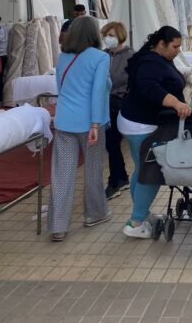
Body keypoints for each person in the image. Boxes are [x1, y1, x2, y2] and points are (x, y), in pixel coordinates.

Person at [118, 26, 192, 239]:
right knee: (152, 173)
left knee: (142, 169)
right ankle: (136, 222)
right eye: (175, 46)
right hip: (141, 124)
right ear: (161, 44)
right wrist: (177, 103)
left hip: (136, 122)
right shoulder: (150, 64)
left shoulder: (154, 58)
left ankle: (141, 214)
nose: (178, 50)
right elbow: (151, 89)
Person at [49, 16, 112, 242]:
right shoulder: (101, 57)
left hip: (64, 120)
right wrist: (95, 123)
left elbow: (60, 87)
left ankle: (58, 226)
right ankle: (95, 213)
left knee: (62, 174)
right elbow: (97, 92)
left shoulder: (63, 57)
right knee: (93, 169)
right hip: (90, 123)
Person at [100, 21, 134, 200]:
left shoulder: (130, 56)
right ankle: (120, 178)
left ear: (120, 36)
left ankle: (116, 180)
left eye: (111, 35)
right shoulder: (103, 55)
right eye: (106, 35)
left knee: (112, 142)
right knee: (111, 144)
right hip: (104, 104)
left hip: (120, 103)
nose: (108, 38)